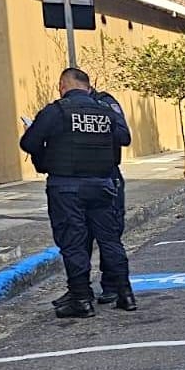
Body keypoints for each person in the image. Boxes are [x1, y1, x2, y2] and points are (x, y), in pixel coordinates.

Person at [20, 67, 135, 318]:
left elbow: (28, 143)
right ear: (88, 86)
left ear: (63, 86)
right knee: (110, 239)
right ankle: (125, 294)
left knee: (73, 243)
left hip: (67, 188)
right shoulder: (106, 110)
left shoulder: (56, 111)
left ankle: (81, 298)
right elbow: (122, 138)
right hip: (103, 185)